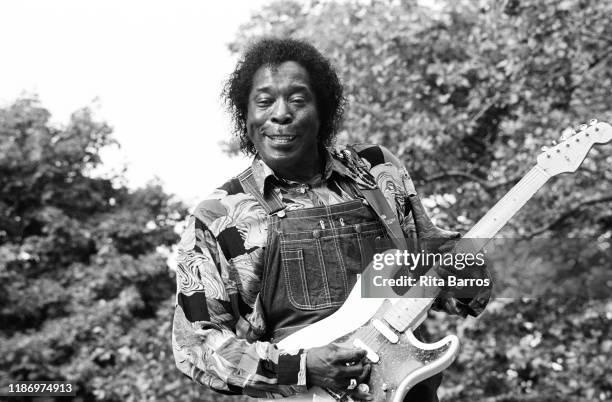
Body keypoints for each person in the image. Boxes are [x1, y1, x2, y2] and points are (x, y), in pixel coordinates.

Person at [172, 38, 490, 401]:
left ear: (323, 112)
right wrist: (302, 366)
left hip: (406, 389)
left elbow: (431, 271)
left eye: (297, 99)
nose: (280, 114)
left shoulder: (377, 171)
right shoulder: (219, 216)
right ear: (246, 120)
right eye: (264, 102)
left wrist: (467, 275)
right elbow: (195, 346)